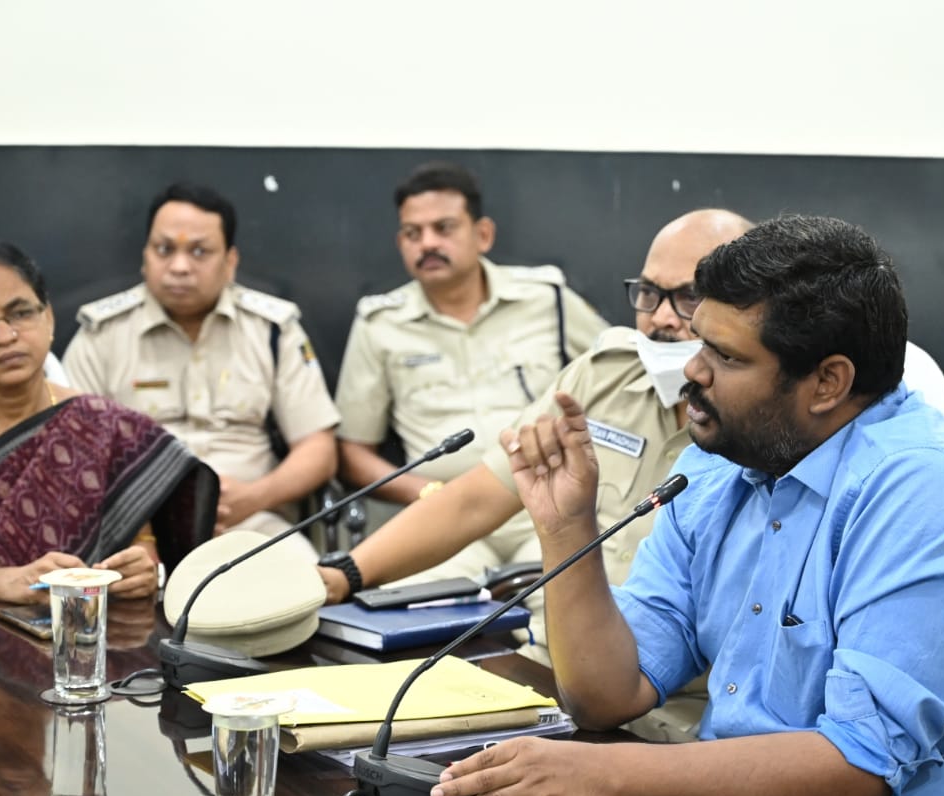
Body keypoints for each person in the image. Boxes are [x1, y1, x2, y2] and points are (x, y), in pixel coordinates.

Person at [428, 216, 944, 796]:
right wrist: (565, 528)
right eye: (700, 342)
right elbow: (608, 694)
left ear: (827, 382)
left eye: (723, 356)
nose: (692, 371)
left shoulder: (924, 491)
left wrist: (600, 775)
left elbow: (859, 765)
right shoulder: (720, 464)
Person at [318, 208, 750, 643]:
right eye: (649, 294)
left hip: (674, 678)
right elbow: (476, 499)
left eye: (690, 297)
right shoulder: (604, 377)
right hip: (552, 656)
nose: (660, 319)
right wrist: (346, 574)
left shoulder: (767, 424)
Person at [325, 162, 608, 586]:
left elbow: (616, 376)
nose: (428, 243)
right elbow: (353, 451)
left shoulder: (546, 299)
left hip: (549, 502)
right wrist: (424, 493)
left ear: (483, 235)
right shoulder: (379, 323)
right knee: (410, 606)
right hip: (445, 517)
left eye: (444, 228)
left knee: (572, 602)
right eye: (413, 233)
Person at [0, 241, 216, 605]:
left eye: (20, 313)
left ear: (49, 318)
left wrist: (144, 571)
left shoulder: (106, 425)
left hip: (94, 624)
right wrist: (0, 583)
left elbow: (142, 550)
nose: (5, 336)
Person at [64, 182, 338, 552]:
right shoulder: (101, 335)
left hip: (250, 524)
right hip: (132, 531)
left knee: (301, 573)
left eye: (199, 251)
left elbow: (318, 449)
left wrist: (254, 497)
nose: (179, 267)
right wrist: (138, 518)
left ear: (230, 262)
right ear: (145, 256)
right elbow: (71, 456)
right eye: (164, 249)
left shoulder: (272, 330)